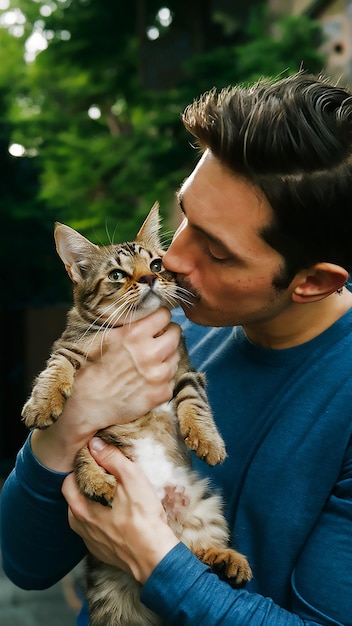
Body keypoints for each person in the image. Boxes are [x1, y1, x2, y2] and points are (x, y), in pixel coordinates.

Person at [1, 72, 352, 625]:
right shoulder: (158, 327)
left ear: (312, 282)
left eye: (216, 249)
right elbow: (24, 561)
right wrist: (70, 423)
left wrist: (150, 559)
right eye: (185, 215)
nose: (172, 260)